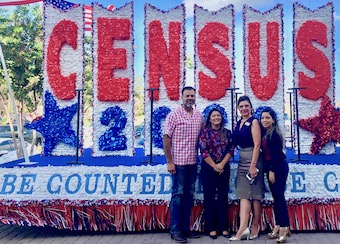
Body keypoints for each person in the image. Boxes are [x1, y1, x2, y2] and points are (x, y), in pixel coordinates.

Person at [163, 86, 204, 243]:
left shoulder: (199, 116)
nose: (190, 98)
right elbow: (166, 138)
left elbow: (203, 137)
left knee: (188, 196)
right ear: (182, 97)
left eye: (192, 95)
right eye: (187, 95)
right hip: (178, 164)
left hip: (193, 163)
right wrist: (169, 161)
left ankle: (186, 229)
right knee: (178, 197)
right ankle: (175, 230)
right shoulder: (174, 115)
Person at [230, 95, 264, 241]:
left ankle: (255, 225)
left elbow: (257, 144)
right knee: (243, 194)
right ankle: (243, 228)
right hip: (242, 158)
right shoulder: (238, 123)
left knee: (255, 195)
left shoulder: (254, 121)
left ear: (251, 107)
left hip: (253, 158)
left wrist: (253, 165)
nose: (244, 109)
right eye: (241, 106)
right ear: (238, 109)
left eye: (246, 106)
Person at [199, 108, 233, 239]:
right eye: (213, 116)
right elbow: (203, 151)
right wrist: (214, 166)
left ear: (221, 118)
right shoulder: (204, 133)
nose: (216, 118)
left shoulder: (227, 133)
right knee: (209, 197)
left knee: (223, 197)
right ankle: (211, 227)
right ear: (210, 118)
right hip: (209, 167)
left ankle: (224, 227)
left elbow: (231, 149)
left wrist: (221, 165)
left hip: (224, 167)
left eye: (218, 116)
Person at [260, 107, 291, 243]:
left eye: (267, 118)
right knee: (276, 198)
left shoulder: (275, 134)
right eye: (263, 118)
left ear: (273, 120)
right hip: (271, 168)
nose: (265, 120)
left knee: (279, 198)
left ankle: (284, 227)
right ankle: (279, 225)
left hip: (278, 168)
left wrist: (271, 170)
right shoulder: (265, 133)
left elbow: (277, 154)